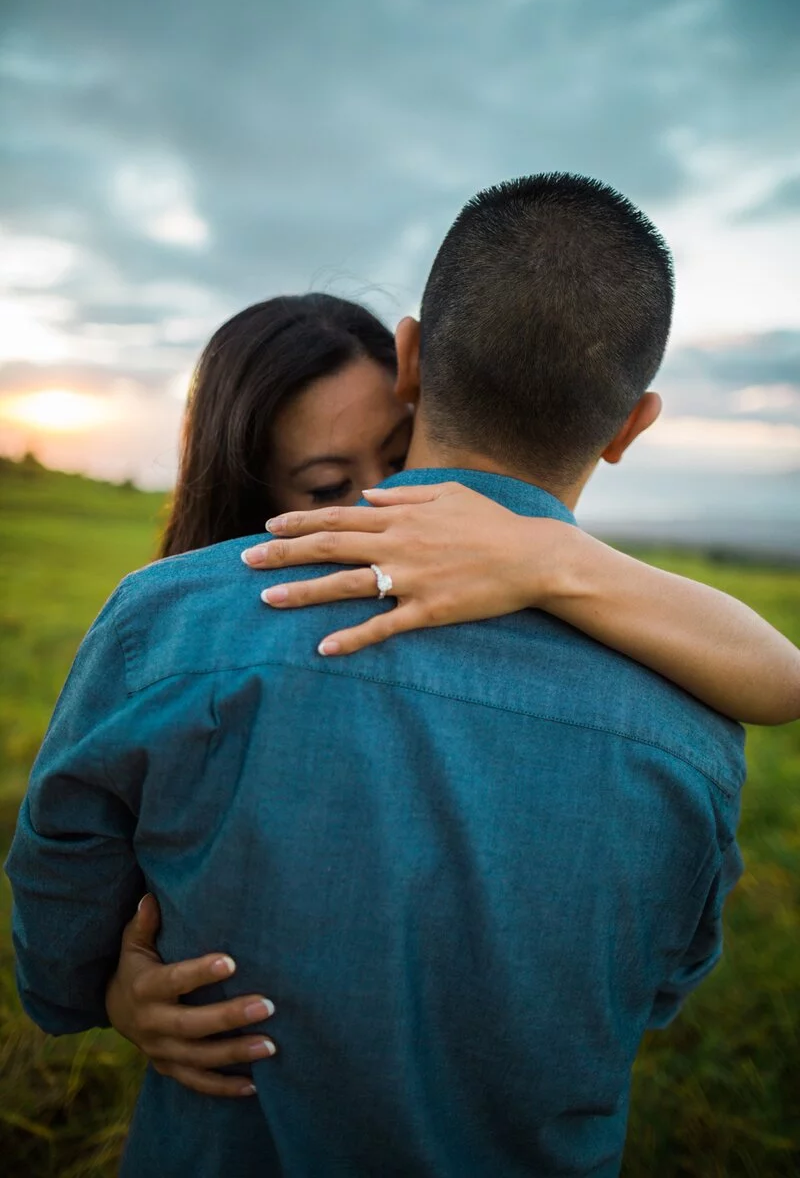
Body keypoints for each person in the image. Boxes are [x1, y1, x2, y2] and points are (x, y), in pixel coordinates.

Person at [4, 174, 795, 1176]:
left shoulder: (165, 627)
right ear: (631, 425)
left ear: (410, 360)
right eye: (330, 487)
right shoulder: (695, 717)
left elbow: (56, 912)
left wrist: (97, 991)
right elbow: (656, 989)